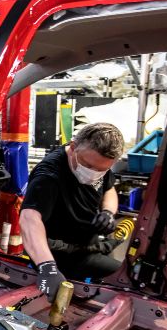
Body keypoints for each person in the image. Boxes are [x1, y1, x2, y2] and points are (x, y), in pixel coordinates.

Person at [20, 122, 125, 301]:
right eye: (88, 166)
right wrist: (47, 267)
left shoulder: (99, 160)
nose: (93, 173)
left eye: (101, 170)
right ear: (73, 146)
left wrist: (108, 212)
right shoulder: (49, 175)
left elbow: (109, 188)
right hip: (59, 255)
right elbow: (30, 218)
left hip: (88, 246)